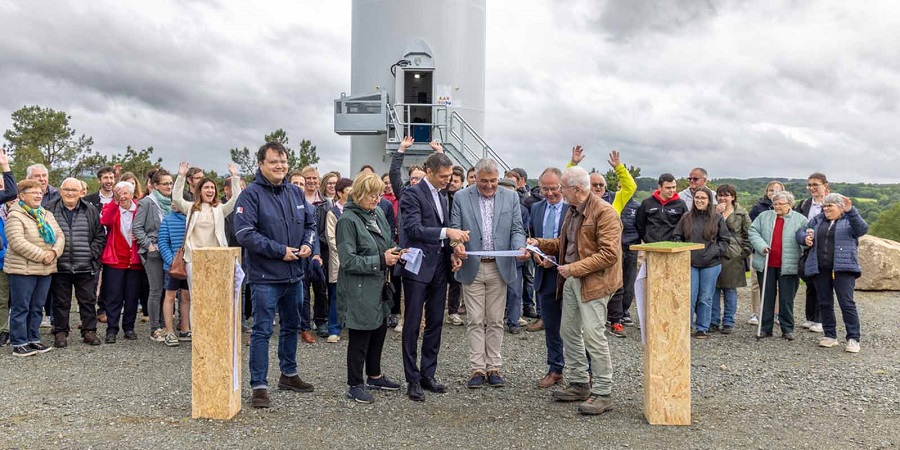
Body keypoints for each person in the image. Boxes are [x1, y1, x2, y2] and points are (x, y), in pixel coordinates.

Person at [527, 166, 622, 416]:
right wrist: (540, 243)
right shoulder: (573, 211)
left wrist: (574, 268)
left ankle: (602, 391)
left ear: (576, 189)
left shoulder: (605, 213)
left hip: (596, 283)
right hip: (573, 280)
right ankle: (579, 382)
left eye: (563, 188)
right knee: (568, 331)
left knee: (593, 335)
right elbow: (565, 244)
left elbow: (609, 254)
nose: (560, 192)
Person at [234, 142, 317, 409]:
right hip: (265, 278)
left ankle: (288, 375)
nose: (280, 166)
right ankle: (259, 386)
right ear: (261, 164)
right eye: (273, 162)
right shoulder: (250, 196)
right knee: (262, 330)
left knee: (292, 326)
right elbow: (245, 234)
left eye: (283, 161)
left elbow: (310, 224)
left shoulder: (295, 192)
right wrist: (279, 251)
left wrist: (308, 244)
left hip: (295, 276)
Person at [398, 146, 469, 401]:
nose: (447, 181)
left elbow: (443, 231)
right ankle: (412, 378)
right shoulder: (411, 194)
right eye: (443, 176)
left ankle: (428, 373)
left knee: (436, 323)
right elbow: (414, 229)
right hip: (417, 266)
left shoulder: (442, 195)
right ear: (429, 171)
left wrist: (453, 248)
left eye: (450, 177)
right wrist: (447, 233)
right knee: (413, 324)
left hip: (439, 266)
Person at [451, 159, 528, 388]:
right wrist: (457, 244)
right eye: (483, 181)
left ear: (498, 179)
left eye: (493, 181)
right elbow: (455, 227)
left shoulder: (511, 197)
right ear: (475, 178)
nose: (489, 186)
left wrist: (519, 248)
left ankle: (493, 366)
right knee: (474, 319)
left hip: (499, 266)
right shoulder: (461, 197)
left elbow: (516, 228)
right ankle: (477, 368)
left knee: (495, 319)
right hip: (472, 266)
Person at [335, 172, 403, 403]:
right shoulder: (347, 221)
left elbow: (386, 242)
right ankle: (354, 384)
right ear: (359, 194)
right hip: (359, 288)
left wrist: (398, 251)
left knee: (379, 331)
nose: (377, 199)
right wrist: (382, 260)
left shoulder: (378, 214)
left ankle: (375, 375)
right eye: (372, 195)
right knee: (360, 337)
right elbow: (348, 261)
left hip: (378, 286)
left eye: (379, 194)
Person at [799, 193, 868, 352]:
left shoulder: (849, 221)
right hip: (820, 268)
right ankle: (830, 335)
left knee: (846, 303)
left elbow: (862, 229)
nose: (826, 209)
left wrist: (852, 211)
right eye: (824, 206)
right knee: (824, 302)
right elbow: (801, 232)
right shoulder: (818, 220)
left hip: (844, 268)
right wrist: (804, 238)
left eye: (830, 206)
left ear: (840, 207)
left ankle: (853, 338)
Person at [5, 179, 64, 356]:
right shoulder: (15, 215)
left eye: (40, 192)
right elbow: (17, 242)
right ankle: (19, 342)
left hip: (45, 269)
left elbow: (59, 235)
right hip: (22, 270)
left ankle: (33, 338)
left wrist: (53, 253)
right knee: (21, 307)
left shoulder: (46, 214)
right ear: (22, 195)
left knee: (37, 306)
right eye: (34, 192)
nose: (39, 195)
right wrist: (42, 255)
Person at [47, 178, 106, 347]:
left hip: (84, 265)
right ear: (60, 190)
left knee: (87, 300)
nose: (70, 193)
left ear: (81, 192)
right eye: (66, 189)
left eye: (74, 190)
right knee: (60, 301)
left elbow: (99, 236)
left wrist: (91, 253)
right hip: (60, 264)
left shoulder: (91, 209)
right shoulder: (49, 209)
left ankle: (89, 331)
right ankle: (60, 332)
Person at [172, 163, 242, 293]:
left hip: (216, 257)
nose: (210, 190)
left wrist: (234, 177)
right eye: (206, 187)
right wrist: (181, 176)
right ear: (200, 190)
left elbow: (236, 199)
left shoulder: (220, 208)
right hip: (194, 257)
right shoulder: (191, 207)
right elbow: (176, 199)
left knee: (214, 294)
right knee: (197, 295)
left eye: (212, 188)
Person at [748, 191, 807, 340]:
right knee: (767, 296)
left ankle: (787, 328)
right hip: (766, 263)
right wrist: (761, 246)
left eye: (781, 204)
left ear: (790, 205)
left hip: (789, 264)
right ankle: (765, 328)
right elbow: (753, 231)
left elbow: (805, 236)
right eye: (775, 204)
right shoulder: (764, 217)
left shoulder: (800, 219)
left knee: (786, 298)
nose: (777, 206)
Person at [673, 187, 731, 339]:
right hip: (690, 262)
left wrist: (715, 251)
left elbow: (725, 240)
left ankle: (702, 327)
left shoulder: (717, 218)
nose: (699, 200)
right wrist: (684, 251)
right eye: (697, 197)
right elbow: (677, 236)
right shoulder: (686, 217)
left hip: (711, 263)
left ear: (709, 201)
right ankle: (686, 326)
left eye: (703, 198)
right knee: (690, 296)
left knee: (705, 296)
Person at [528, 168, 566, 387]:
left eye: (554, 188)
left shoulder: (573, 207)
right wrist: (535, 255)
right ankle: (555, 368)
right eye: (545, 189)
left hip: (568, 273)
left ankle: (586, 371)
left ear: (561, 186)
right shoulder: (536, 208)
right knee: (551, 325)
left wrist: (555, 255)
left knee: (575, 327)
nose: (550, 193)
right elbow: (532, 237)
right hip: (544, 273)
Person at [99, 181, 143, 344]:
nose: (122, 197)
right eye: (119, 193)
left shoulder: (140, 209)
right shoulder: (112, 208)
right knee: (114, 296)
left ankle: (129, 327)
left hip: (134, 260)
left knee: (132, 296)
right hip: (115, 259)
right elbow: (105, 221)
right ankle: (111, 329)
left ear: (132, 194)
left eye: (125, 193)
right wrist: (114, 202)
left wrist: (141, 236)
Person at [133, 169, 174, 342]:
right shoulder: (147, 203)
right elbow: (137, 227)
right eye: (165, 183)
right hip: (154, 253)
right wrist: (149, 246)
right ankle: (155, 328)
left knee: (169, 291)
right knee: (156, 290)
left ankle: (167, 325)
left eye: (171, 183)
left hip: (170, 252)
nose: (169, 186)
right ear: (155, 185)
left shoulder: (173, 203)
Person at [711, 184, 751, 334]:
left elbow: (749, 234)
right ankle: (713, 320)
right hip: (714, 254)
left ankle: (728, 321)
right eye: (720, 195)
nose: (723, 198)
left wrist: (743, 252)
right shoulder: (712, 210)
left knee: (730, 290)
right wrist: (716, 214)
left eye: (726, 195)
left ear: (733, 197)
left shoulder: (741, 213)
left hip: (734, 256)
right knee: (713, 288)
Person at [795, 173, 830, 333]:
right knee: (810, 283)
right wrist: (804, 239)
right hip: (809, 249)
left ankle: (820, 320)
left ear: (825, 185)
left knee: (823, 285)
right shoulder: (804, 204)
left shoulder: (833, 202)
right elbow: (798, 227)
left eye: (815, 184)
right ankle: (810, 317)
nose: (812, 188)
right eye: (809, 185)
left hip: (827, 249)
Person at [746, 180, 784, 325]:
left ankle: (776, 313)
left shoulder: (787, 208)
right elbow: (752, 229)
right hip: (760, 251)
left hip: (780, 252)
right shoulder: (758, 208)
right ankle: (757, 312)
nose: (774, 193)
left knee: (778, 284)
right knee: (757, 282)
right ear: (766, 192)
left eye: (778, 190)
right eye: (771, 190)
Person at [299, 166, 328, 342]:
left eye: (314, 178)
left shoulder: (325, 203)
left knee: (320, 289)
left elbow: (324, 230)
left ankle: (321, 321)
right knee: (303, 291)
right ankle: (304, 326)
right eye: (307, 178)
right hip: (301, 250)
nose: (311, 181)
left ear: (319, 181)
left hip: (320, 251)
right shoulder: (297, 201)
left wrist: (318, 249)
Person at [157, 207, 191, 347]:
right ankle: (169, 331)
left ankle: (185, 328)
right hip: (174, 266)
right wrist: (172, 262)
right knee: (170, 297)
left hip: (188, 264)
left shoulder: (191, 218)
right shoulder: (167, 219)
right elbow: (163, 242)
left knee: (186, 297)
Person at [325, 178, 353, 343]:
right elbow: (331, 238)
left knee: (355, 295)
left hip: (356, 260)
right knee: (336, 295)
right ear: (339, 193)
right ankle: (334, 329)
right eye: (348, 191)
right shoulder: (332, 213)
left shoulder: (357, 211)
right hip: (339, 260)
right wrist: (347, 254)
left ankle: (352, 326)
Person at [636, 173, 687, 244]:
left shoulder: (681, 204)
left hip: (672, 247)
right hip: (651, 246)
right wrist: (647, 239)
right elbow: (640, 225)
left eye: (674, 187)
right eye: (668, 188)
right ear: (660, 187)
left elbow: (685, 226)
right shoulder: (647, 203)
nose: (672, 190)